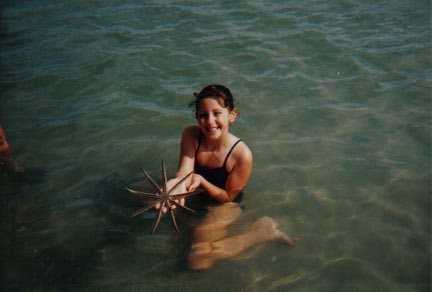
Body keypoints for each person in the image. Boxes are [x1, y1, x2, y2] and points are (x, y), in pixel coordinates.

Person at [160, 84, 298, 270]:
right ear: (197, 117)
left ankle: (260, 232)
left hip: (223, 205)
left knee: (198, 260)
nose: (210, 121)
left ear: (232, 115)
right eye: (203, 115)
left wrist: (202, 181)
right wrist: (175, 184)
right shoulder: (191, 135)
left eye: (217, 113)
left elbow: (228, 197)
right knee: (139, 195)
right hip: (195, 192)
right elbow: (184, 172)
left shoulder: (241, 154)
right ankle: (195, 224)